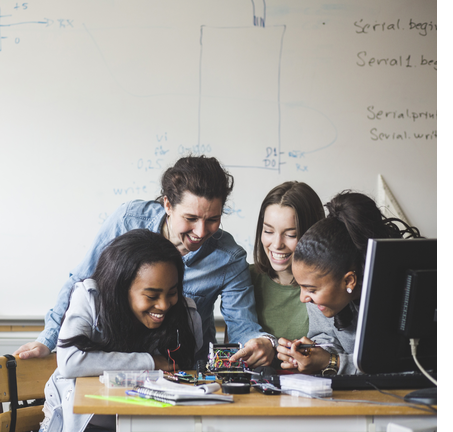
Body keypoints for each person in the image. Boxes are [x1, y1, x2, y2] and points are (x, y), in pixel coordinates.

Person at [15, 155, 276, 368]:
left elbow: (243, 327)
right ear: (167, 204)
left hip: (182, 369)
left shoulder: (229, 257)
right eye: (191, 218)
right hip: (116, 362)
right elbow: (80, 282)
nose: (200, 231)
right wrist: (48, 339)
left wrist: (261, 343)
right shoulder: (128, 221)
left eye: (212, 219)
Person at [39, 229, 202, 432]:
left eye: (172, 292)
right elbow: (71, 362)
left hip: (150, 422)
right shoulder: (89, 298)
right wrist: (152, 362)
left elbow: (189, 372)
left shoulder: (186, 315)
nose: (164, 305)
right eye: (151, 296)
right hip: (87, 423)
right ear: (121, 288)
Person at [275, 191, 421, 375]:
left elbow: (405, 366)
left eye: (311, 289)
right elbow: (328, 338)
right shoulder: (320, 300)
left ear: (349, 280)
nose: (303, 297)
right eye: (301, 286)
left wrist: (333, 362)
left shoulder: (401, 297)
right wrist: (312, 354)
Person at [247, 181, 324, 342]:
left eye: (291, 235)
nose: (276, 244)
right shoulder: (245, 279)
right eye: (268, 231)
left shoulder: (328, 286)